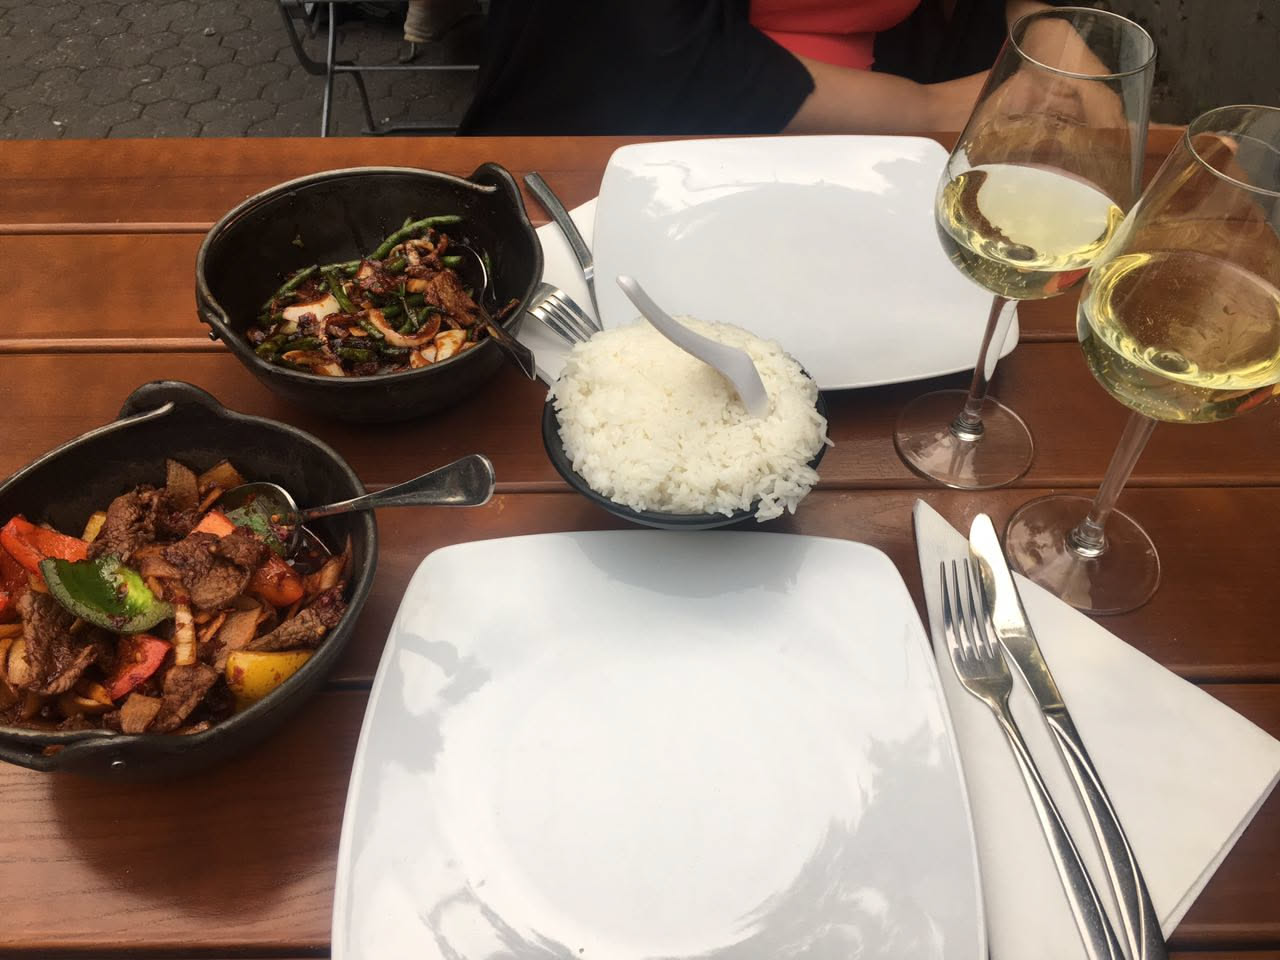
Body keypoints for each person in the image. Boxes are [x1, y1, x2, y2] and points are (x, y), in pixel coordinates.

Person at [458, 0, 1062, 136]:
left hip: (868, 157)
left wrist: (1042, 20)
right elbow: (646, 48)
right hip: (633, 144)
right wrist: (932, 109)